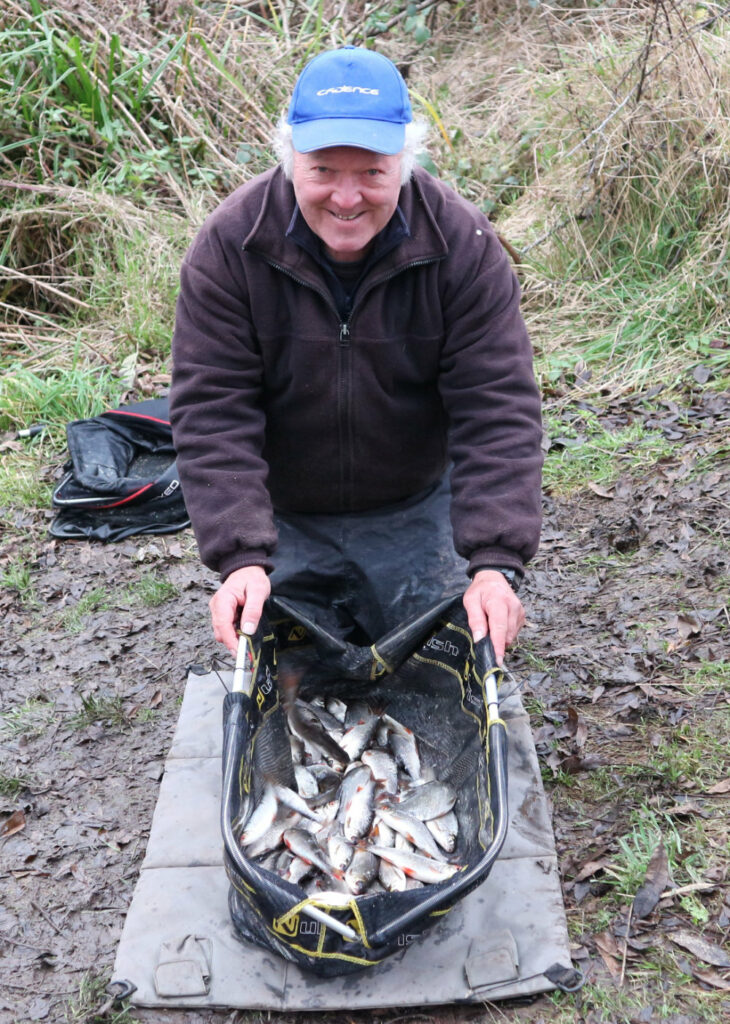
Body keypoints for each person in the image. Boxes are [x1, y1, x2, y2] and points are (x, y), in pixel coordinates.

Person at [169, 45, 542, 666]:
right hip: (284, 517)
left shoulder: (463, 243)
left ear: (406, 161)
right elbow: (213, 411)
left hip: (415, 506)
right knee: (283, 668)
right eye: (322, 171)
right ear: (290, 160)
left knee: (448, 658)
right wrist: (240, 556)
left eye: (371, 172)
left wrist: (495, 563)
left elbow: (497, 406)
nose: (346, 199)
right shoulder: (230, 244)